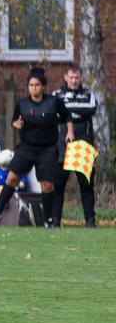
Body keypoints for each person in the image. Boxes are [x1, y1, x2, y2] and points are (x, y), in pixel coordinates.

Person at [0, 67, 69, 227]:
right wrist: (15, 124)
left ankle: (48, 220)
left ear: (42, 86)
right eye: (31, 85)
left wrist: (70, 132)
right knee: (11, 178)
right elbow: (14, 120)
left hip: (47, 149)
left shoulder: (52, 102)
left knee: (47, 185)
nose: (34, 88)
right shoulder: (23, 104)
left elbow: (67, 116)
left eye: (37, 85)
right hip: (26, 148)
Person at [51, 64, 98, 228]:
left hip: (83, 145)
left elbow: (91, 108)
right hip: (62, 146)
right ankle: (55, 220)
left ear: (81, 78)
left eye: (77, 77)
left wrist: (65, 111)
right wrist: (76, 112)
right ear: (65, 77)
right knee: (58, 186)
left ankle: (90, 220)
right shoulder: (56, 95)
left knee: (86, 186)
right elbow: (53, 111)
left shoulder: (88, 95)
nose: (74, 80)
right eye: (71, 77)